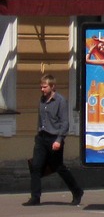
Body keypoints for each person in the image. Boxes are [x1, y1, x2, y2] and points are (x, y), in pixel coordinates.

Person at [24, 74, 84, 207]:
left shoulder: (61, 101)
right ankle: (35, 197)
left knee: (59, 167)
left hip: (54, 138)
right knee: (35, 167)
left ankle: (77, 191)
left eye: (45, 87)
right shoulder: (42, 100)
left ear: (52, 86)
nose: (42, 89)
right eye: (41, 87)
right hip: (42, 137)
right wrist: (38, 134)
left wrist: (59, 140)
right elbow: (41, 119)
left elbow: (64, 123)